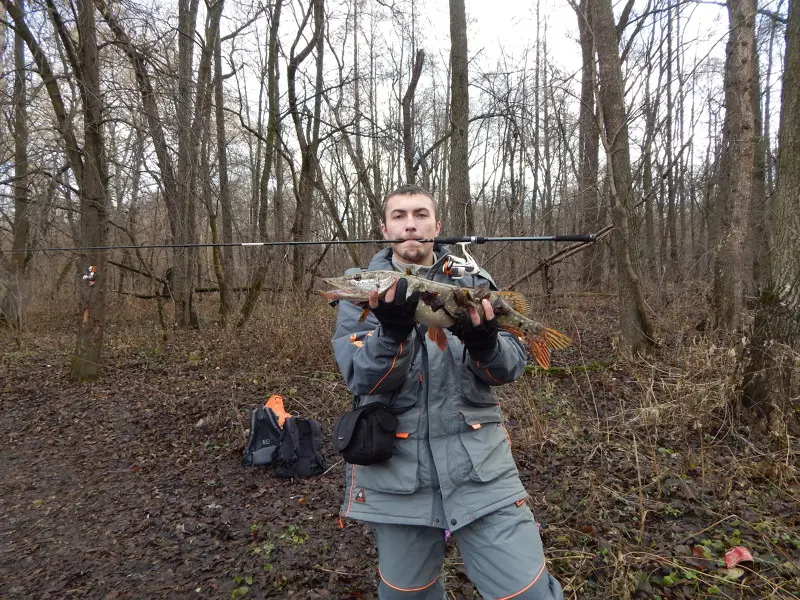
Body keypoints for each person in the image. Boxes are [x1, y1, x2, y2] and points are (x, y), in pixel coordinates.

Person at [331, 184, 564, 600]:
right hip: (396, 476)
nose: (410, 224)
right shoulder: (365, 291)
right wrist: (393, 333)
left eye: (420, 215)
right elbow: (361, 378)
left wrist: (485, 344)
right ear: (385, 228)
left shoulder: (472, 280)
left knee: (530, 595)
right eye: (399, 216)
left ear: (436, 225)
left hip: (482, 471)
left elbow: (510, 367)